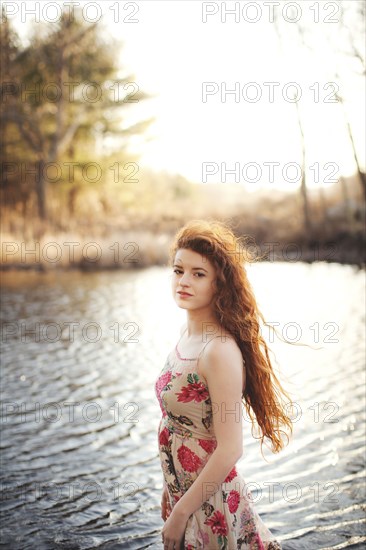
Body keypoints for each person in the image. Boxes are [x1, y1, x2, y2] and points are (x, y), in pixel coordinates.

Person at [154, 219, 294, 549]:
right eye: (178, 270)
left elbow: (231, 448)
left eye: (198, 274)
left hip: (211, 503)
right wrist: (169, 487)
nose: (183, 281)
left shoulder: (218, 350)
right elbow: (178, 426)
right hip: (185, 493)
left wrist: (181, 512)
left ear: (220, 284)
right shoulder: (187, 336)